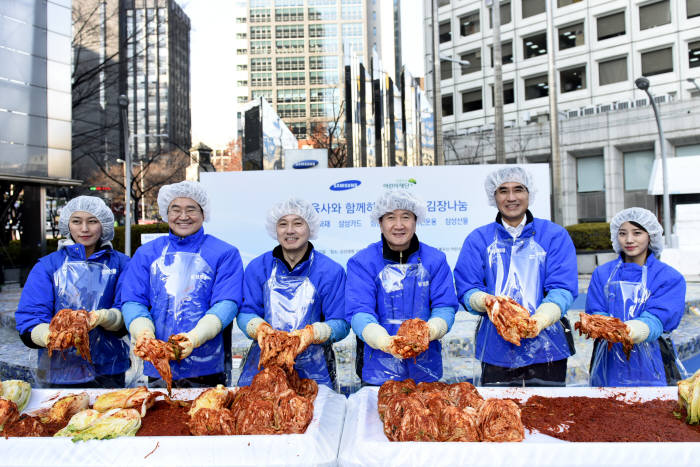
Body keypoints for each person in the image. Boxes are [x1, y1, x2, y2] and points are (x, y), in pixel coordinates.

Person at [454, 166, 578, 386]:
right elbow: (467, 288)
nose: (511, 197)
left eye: (518, 189)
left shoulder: (554, 236)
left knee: (548, 415)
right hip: (496, 350)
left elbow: (563, 289)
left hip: (547, 349)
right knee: (500, 415)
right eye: (503, 190)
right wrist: (485, 301)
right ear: (494, 196)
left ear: (529, 193)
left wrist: (541, 320)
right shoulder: (478, 239)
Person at [120, 181, 243, 388]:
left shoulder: (224, 253)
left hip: (208, 365)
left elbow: (227, 303)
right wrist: (144, 333)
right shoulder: (147, 253)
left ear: (204, 214)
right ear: (166, 214)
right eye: (175, 210)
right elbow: (133, 300)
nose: (183, 216)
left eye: (191, 209)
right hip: (157, 361)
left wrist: (195, 337)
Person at [15, 196, 130, 388]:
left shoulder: (121, 264)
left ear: (104, 224)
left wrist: (105, 317)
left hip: (110, 368)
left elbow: (129, 310)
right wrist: (49, 337)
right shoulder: (48, 266)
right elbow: (30, 317)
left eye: (92, 221)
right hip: (59, 372)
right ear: (67, 224)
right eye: (77, 221)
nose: (84, 229)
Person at [346, 190, 458, 386]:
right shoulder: (362, 262)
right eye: (390, 218)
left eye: (405, 217)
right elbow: (359, 311)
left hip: (426, 365)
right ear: (380, 223)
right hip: (377, 368)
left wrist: (431, 330)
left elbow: (445, 306)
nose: (398, 225)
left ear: (415, 220)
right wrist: (382, 340)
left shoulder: (435, 260)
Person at [237, 198, 348, 389]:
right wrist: (259, 328)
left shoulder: (330, 271)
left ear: (310, 228)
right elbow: (246, 312)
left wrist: (314, 333)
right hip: (263, 366)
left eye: (298, 223)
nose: (290, 230)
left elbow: (341, 323)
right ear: (275, 229)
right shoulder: (258, 268)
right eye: (283, 224)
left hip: (316, 371)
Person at [585, 207, 686, 386]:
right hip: (608, 363)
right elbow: (595, 314)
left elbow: (658, 319)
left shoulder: (669, 277)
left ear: (651, 236)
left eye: (637, 233)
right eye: (623, 233)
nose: (629, 240)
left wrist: (631, 331)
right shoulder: (602, 274)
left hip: (653, 362)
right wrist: (600, 325)